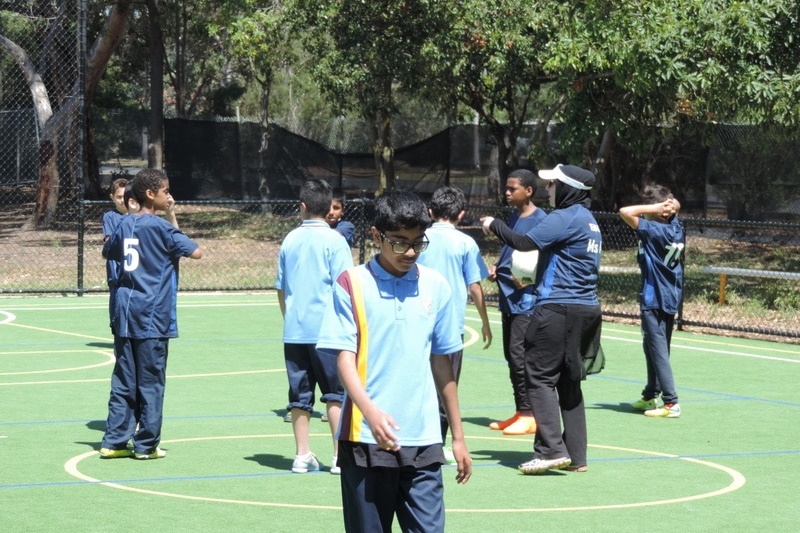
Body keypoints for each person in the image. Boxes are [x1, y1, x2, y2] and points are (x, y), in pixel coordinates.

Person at [317, 190, 471, 533]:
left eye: (419, 242)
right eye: (400, 242)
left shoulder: (437, 286)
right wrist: (371, 413)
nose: (411, 252)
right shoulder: (351, 283)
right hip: (365, 440)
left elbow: (443, 364)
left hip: (425, 438)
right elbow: (345, 359)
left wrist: (458, 436)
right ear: (376, 236)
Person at [481, 164, 603, 475]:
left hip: (558, 308)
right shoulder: (589, 220)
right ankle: (575, 454)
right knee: (568, 380)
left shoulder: (565, 216)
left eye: (552, 184)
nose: (548, 189)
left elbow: (524, 243)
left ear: (568, 189)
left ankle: (550, 450)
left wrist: (494, 224)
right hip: (585, 308)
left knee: (537, 374)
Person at [99, 169, 202, 460]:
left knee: (123, 378)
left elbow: (109, 253)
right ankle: (146, 445)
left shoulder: (124, 223)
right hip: (152, 315)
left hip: (124, 310)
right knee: (151, 380)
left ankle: (114, 441)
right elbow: (196, 252)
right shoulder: (162, 228)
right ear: (150, 195)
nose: (169, 196)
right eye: (165, 191)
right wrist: (171, 217)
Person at [276, 178, 354, 474]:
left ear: (303, 207)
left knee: (299, 394)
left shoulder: (290, 239)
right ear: (328, 207)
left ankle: (301, 454)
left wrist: (290, 317)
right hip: (329, 331)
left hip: (295, 330)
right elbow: (347, 287)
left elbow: (281, 288)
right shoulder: (336, 241)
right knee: (335, 393)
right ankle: (338, 456)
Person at [416, 185, 492, 460]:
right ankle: (437, 444)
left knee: (416, 381)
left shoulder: (419, 238)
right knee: (446, 386)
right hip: (450, 327)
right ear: (461, 214)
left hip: (417, 322)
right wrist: (485, 321)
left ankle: (412, 438)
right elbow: (474, 286)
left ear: (430, 212)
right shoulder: (465, 243)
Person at [487, 169, 546, 436]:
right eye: (506, 188)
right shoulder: (514, 216)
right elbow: (512, 248)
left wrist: (530, 279)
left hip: (528, 301)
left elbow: (545, 255)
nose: (507, 192)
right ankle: (521, 410)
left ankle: (531, 414)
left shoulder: (541, 220)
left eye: (513, 189)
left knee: (520, 355)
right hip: (509, 296)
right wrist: (498, 266)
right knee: (510, 356)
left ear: (529, 191)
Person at [619, 185, 684, 418]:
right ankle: (651, 394)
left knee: (657, 350)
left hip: (654, 296)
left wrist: (655, 207)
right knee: (653, 347)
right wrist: (669, 205)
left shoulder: (654, 229)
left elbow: (625, 212)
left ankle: (671, 402)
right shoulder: (675, 226)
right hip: (670, 295)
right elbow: (676, 206)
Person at [102, 178, 129, 333]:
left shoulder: (138, 215)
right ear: (112, 197)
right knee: (116, 297)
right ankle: (116, 327)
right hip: (116, 269)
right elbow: (109, 243)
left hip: (133, 268)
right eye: (119, 197)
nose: (122, 200)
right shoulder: (110, 217)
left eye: (125, 196)